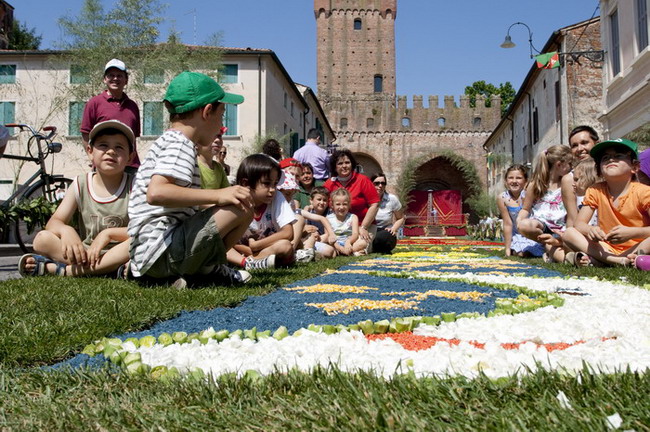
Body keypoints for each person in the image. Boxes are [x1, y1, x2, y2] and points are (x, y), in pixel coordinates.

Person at [127, 71, 253, 286]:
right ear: (207, 111)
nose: (222, 126)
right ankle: (209, 268)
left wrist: (215, 201)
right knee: (242, 207)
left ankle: (183, 275)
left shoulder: (172, 141)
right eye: (222, 115)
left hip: (151, 255)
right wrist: (219, 195)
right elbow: (157, 193)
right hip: (162, 250)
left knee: (235, 202)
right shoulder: (180, 144)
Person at [18, 120, 135, 277]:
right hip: (86, 254)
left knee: (139, 241)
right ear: (90, 151)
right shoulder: (80, 183)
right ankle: (110, 270)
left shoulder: (135, 185)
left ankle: (65, 271)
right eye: (103, 145)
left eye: (119, 147)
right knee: (42, 239)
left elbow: (142, 229)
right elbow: (54, 222)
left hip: (120, 252)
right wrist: (66, 230)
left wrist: (108, 234)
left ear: (130, 156)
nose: (111, 151)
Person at [563, 138, 650, 267]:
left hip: (638, 246)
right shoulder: (595, 190)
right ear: (599, 170)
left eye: (618, 156)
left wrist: (633, 232)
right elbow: (579, 224)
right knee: (569, 233)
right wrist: (591, 230)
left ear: (634, 167)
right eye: (605, 158)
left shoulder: (644, 192)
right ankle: (619, 261)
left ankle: (601, 260)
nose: (611, 159)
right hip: (607, 247)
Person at [229, 154, 296, 269]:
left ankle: (252, 261)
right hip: (241, 250)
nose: (272, 189)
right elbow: (227, 241)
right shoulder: (235, 202)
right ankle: (251, 261)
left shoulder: (277, 197)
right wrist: (249, 250)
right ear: (246, 183)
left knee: (285, 245)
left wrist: (256, 246)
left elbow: (288, 233)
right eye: (266, 183)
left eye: (275, 183)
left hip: (264, 248)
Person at [80, 59, 141, 172]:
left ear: (126, 80)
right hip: (105, 165)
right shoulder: (94, 103)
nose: (115, 78)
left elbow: (133, 138)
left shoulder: (133, 106)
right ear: (105, 79)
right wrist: (93, 158)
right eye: (111, 75)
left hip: (130, 167)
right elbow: (85, 134)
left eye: (119, 75)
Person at [517, 145, 573, 263]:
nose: (571, 167)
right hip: (542, 225)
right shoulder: (536, 185)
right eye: (570, 164)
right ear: (559, 165)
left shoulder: (568, 183)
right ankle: (546, 244)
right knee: (524, 225)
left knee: (562, 255)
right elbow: (526, 208)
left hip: (562, 227)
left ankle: (555, 251)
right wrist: (520, 220)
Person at [323, 149, 380, 252]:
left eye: (347, 162)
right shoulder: (329, 184)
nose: (344, 166)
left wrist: (363, 227)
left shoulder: (363, 180)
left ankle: (344, 250)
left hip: (363, 225)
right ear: (335, 167)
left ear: (352, 164)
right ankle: (342, 249)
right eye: (340, 163)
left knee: (360, 245)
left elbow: (374, 205)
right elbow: (322, 204)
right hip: (338, 227)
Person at [497, 165, 544, 257]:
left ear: (526, 181)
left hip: (530, 231)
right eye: (511, 178)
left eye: (518, 178)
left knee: (530, 250)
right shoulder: (502, 198)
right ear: (506, 181)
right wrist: (507, 249)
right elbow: (507, 223)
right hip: (516, 235)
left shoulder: (529, 195)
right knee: (521, 253)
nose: (514, 181)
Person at [561, 126, 599, 228]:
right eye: (574, 145)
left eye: (584, 143)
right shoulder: (569, 179)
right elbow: (572, 218)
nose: (579, 149)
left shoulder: (609, 171)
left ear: (596, 143)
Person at [370, 173, 404, 254]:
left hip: (384, 231)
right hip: (369, 230)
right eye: (377, 183)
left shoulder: (392, 199)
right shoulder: (365, 198)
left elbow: (400, 218)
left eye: (383, 183)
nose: (380, 185)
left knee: (385, 237)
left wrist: (393, 229)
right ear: (371, 184)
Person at [327, 188, 366, 256]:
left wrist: (348, 242)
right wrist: (340, 248)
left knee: (363, 243)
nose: (341, 207)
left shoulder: (353, 217)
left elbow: (355, 234)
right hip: (335, 244)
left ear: (349, 205)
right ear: (332, 205)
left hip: (349, 243)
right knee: (328, 248)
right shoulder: (328, 218)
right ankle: (349, 252)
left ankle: (346, 252)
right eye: (338, 204)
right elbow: (328, 236)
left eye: (344, 204)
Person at [301, 186, 337, 259]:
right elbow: (304, 229)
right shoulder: (308, 213)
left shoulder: (330, 214)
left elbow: (330, 234)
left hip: (323, 240)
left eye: (325, 200)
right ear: (311, 200)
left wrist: (319, 238)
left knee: (332, 253)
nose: (322, 202)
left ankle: (315, 254)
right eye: (319, 199)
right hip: (311, 239)